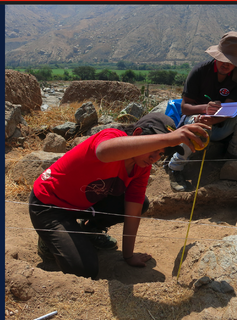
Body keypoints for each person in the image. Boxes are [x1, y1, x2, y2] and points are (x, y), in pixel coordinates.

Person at [29, 113, 210, 279]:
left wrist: (128, 256)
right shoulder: (111, 136)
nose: (155, 157)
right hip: (49, 206)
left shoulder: (142, 166)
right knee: (85, 271)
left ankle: (89, 231)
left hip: (83, 203)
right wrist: (168, 139)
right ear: (137, 133)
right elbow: (103, 152)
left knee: (140, 203)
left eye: (161, 153)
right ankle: (49, 241)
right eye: (154, 148)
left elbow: (133, 208)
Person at [168, 31, 237, 192]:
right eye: (222, 59)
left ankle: (233, 154)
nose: (226, 64)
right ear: (216, 55)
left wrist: (213, 119)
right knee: (197, 124)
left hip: (221, 125)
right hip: (195, 122)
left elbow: (231, 109)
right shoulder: (199, 72)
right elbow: (185, 108)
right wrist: (204, 109)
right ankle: (175, 167)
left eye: (231, 61)